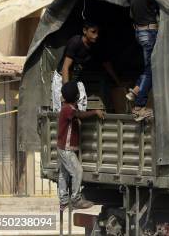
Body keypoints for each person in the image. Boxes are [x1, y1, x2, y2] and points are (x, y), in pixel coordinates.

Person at [51, 21, 122, 112]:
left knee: (81, 106)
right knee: (61, 111)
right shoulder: (75, 42)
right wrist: (67, 92)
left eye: (97, 33)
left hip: (76, 79)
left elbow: (107, 64)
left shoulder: (95, 45)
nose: (96, 35)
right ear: (85, 31)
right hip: (62, 79)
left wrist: (118, 82)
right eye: (93, 32)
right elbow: (65, 67)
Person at [57, 81, 105, 210]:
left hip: (63, 147)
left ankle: (63, 201)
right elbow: (79, 115)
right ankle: (76, 199)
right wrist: (95, 112)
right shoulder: (68, 109)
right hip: (66, 149)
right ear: (76, 96)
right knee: (77, 171)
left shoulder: (68, 107)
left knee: (64, 174)